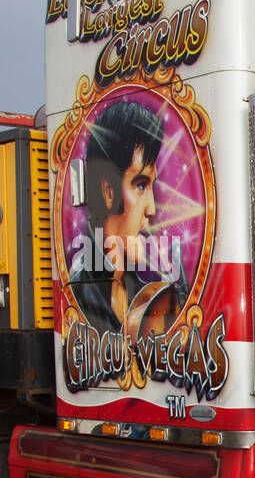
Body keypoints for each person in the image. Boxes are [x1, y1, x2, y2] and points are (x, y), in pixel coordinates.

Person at [69, 100, 186, 336]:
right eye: (141, 185)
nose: (151, 209)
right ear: (108, 191)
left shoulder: (162, 266)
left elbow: (184, 335)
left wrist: (155, 273)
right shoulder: (80, 284)